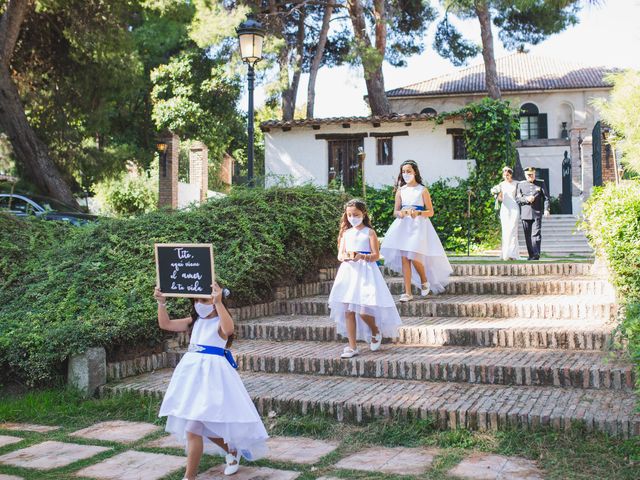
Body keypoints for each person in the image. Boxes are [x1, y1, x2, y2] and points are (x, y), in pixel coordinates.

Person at [154, 283, 268, 478]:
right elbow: (166, 324)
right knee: (202, 425)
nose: (200, 304)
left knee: (193, 428)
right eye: (196, 300)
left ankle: (189, 476)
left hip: (212, 379)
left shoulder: (220, 323)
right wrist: (161, 303)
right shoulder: (194, 321)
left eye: (204, 300)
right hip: (192, 378)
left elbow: (229, 328)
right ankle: (232, 450)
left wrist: (218, 303)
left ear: (216, 300)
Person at [328, 199, 402, 359]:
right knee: (348, 311)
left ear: (363, 214)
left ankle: (375, 330)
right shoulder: (346, 234)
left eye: (355, 214)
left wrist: (363, 256)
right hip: (349, 272)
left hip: (366, 272)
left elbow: (376, 255)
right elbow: (340, 254)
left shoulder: (369, 232)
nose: (352, 217)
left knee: (362, 310)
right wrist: (346, 257)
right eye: (349, 215)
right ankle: (352, 346)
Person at [380, 160, 453, 301]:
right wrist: (400, 213)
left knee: (413, 255)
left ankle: (424, 279)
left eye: (409, 171)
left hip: (418, 226)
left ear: (415, 172)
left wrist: (418, 213)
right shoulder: (400, 190)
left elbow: (430, 212)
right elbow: (395, 211)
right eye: (403, 172)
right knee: (405, 259)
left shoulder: (422, 190)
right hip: (403, 226)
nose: (406, 174)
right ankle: (407, 292)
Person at [516, 166, 551, 261]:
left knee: (536, 234)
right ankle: (531, 254)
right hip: (525, 213)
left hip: (537, 212)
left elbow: (546, 198)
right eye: (528, 175)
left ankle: (536, 254)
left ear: (534, 174)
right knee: (527, 236)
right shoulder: (521, 185)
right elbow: (518, 199)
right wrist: (526, 199)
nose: (530, 176)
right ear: (525, 175)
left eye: (532, 174)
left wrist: (546, 209)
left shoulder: (541, 183)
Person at [493, 166, 521, 261]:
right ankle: (505, 253)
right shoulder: (501, 185)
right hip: (505, 208)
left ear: (511, 175)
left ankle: (513, 254)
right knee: (505, 230)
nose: (506, 177)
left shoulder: (516, 184)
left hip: (514, 208)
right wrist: (496, 195)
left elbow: (519, 196)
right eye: (504, 175)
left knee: (513, 230)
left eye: (508, 175)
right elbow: (501, 198)